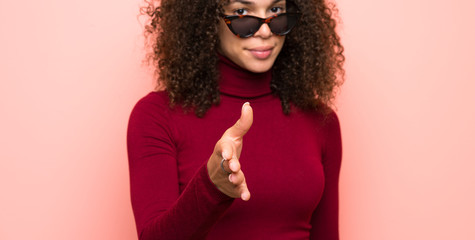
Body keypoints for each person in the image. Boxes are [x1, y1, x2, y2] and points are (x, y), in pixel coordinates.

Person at [127, 0, 345, 239]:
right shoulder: (157, 116)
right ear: (208, 19)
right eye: (242, 12)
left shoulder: (321, 121)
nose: (265, 31)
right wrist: (212, 186)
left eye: (276, 11)